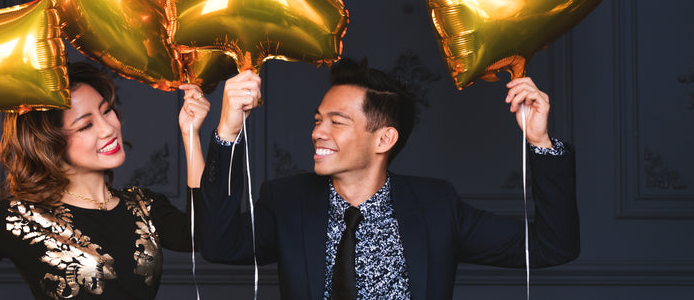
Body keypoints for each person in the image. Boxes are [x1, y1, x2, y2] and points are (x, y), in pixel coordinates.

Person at [198, 57, 580, 299]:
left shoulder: (437, 208)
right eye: (318, 120)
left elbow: (553, 247)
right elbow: (219, 245)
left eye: (337, 121)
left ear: (384, 138)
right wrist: (228, 132)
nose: (318, 132)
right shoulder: (287, 201)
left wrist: (539, 141)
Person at [0, 61, 211, 299]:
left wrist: (191, 135)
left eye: (107, 110)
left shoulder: (144, 206)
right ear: (50, 144)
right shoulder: (20, 219)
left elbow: (206, 236)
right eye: (86, 125)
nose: (108, 128)